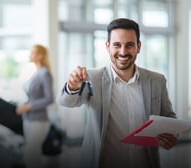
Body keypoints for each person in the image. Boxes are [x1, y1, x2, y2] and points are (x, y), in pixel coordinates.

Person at [57, 18, 178, 168]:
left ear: (138, 47)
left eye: (129, 45)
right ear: (107, 46)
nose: (123, 51)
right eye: (117, 45)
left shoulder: (157, 80)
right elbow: (66, 102)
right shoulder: (91, 78)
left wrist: (170, 135)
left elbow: (168, 117)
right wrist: (72, 86)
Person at [16, 44, 54, 168]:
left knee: (31, 155)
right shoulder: (35, 72)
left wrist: (28, 107)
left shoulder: (44, 73)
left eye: (33, 53)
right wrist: (25, 105)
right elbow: (32, 96)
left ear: (40, 56)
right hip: (29, 119)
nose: (29, 55)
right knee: (32, 155)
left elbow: (49, 98)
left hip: (39, 120)